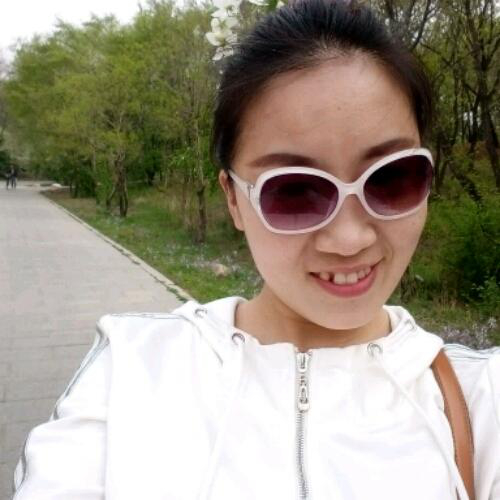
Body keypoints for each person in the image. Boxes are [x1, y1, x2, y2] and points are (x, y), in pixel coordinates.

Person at [13, 1, 499, 499]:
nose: (350, 238)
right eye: (294, 191)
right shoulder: (131, 374)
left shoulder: (482, 399)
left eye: (391, 178)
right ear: (233, 199)